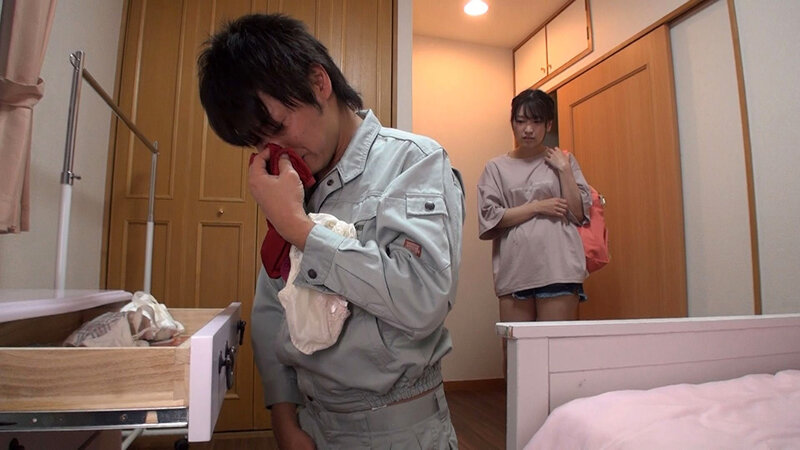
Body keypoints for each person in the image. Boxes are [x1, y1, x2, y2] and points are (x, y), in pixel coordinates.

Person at [197, 13, 464, 449]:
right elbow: (272, 308)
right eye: (258, 142)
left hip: (402, 429)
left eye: (277, 127)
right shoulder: (293, 186)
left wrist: (301, 230)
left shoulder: (415, 162)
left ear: (318, 82)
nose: (273, 150)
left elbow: (423, 300)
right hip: (312, 424)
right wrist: (282, 414)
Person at [477, 89, 591, 369]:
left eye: (536, 121)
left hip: (559, 268)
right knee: (517, 359)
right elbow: (490, 218)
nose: (528, 129)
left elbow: (578, 214)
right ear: (512, 123)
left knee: (557, 357)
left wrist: (564, 170)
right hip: (515, 271)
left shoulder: (563, 161)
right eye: (521, 121)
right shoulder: (496, 167)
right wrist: (538, 206)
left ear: (548, 125)